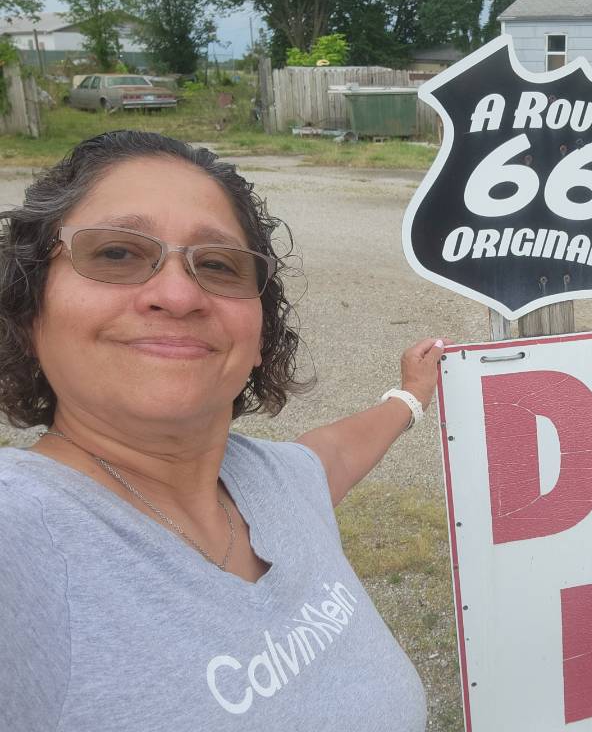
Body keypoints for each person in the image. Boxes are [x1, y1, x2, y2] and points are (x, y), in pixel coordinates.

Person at [0, 131, 443, 730]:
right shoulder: (21, 536)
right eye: (117, 253)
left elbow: (332, 454)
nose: (179, 294)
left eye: (217, 265)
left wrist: (410, 395)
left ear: (258, 337)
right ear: (30, 309)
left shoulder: (272, 483)